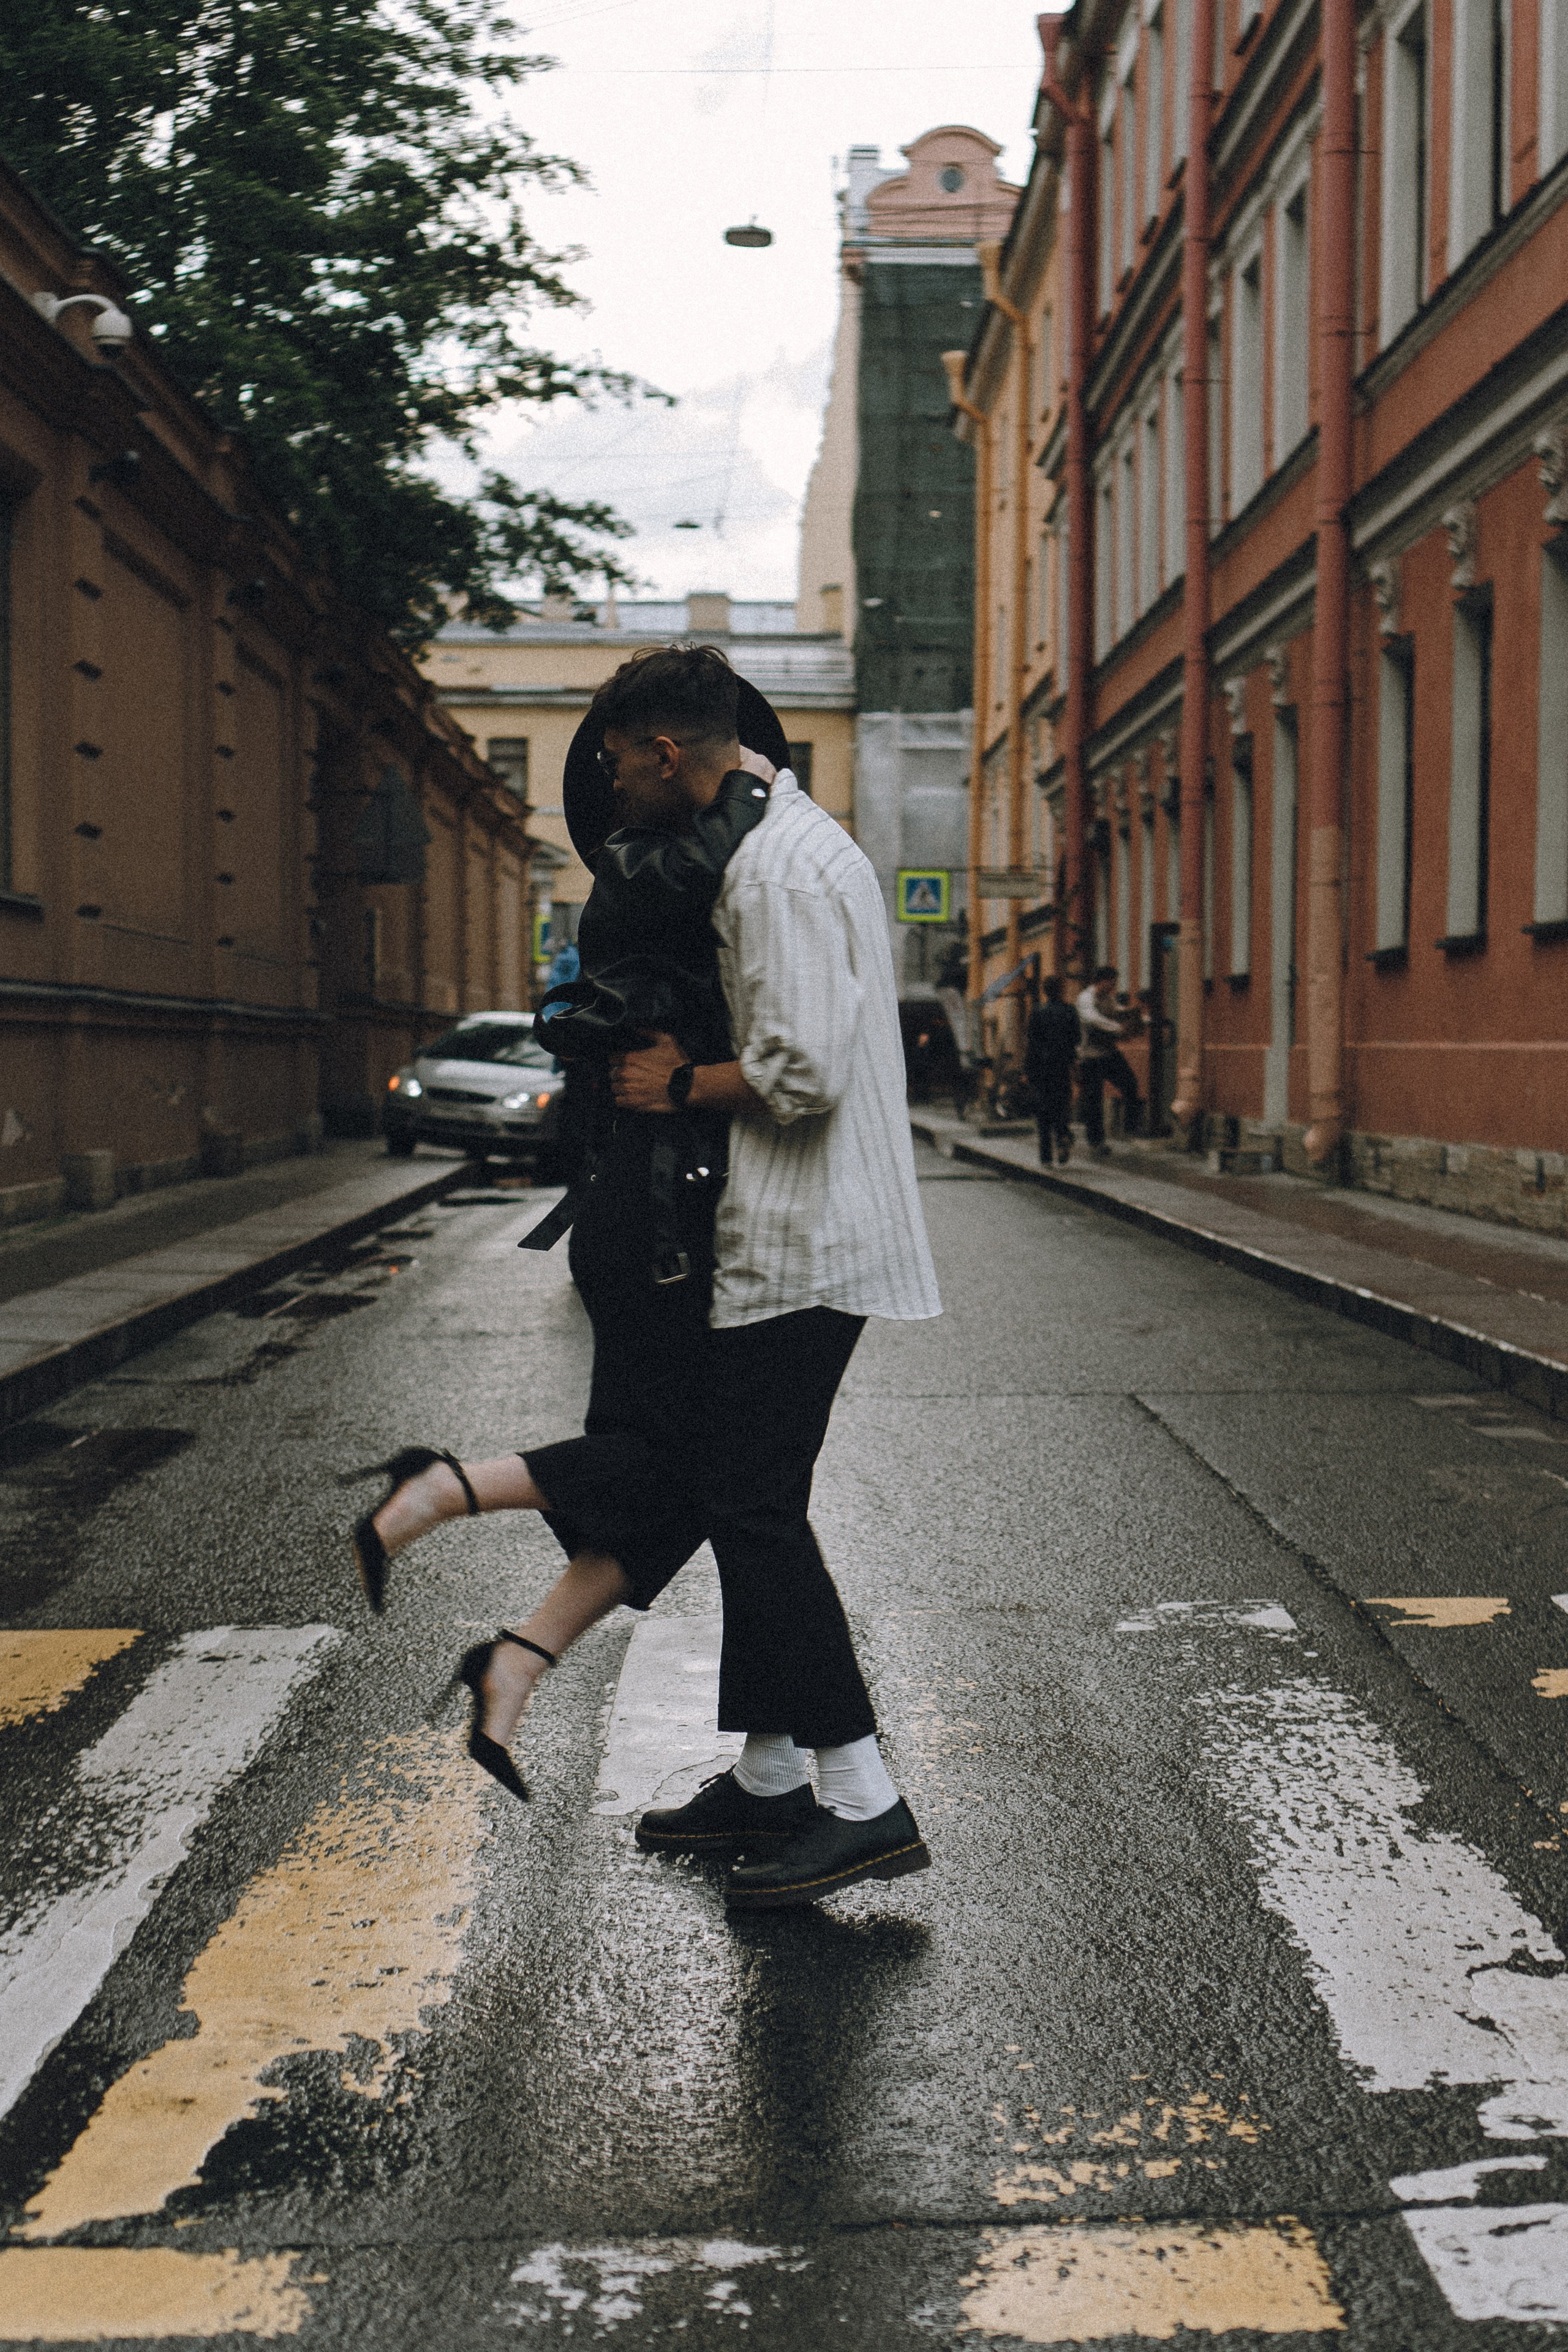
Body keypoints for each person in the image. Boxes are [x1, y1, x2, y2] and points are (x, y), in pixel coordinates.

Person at [345, 649, 771, 1804]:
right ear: (689, 760)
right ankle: (440, 1490)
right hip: (656, 1207)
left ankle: (518, 1663)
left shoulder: (652, 859)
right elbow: (714, 858)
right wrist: (752, 789)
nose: (609, 778)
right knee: (681, 1464)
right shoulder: (649, 868)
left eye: (615, 756)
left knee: (681, 1479)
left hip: (655, 1200)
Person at [605, 687, 943, 1910]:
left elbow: (796, 1070)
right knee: (748, 1495)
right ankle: (766, 1777)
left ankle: (860, 1799)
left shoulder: (771, 873)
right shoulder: (791, 848)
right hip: (806, 1231)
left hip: (804, 1235)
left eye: (612, 761)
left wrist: (674, 1084)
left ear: (661, 750)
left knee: (749, 1507)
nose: (612, 787)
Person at [1075, 965, 1142, 1157]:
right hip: (1090, 1057)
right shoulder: (1086, 999)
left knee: (1130, 1083)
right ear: (1102, 981)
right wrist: (1118, 1028)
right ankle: (1096, 1142)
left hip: (1108, 1053)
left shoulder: (1108, 998)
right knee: (1094, 1100)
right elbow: (1092, 1019)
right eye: (1111, 982)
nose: (1113, 986)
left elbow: (1117, 1011)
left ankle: (1130, 1128)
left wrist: (1138, 1018)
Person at [1023, 974, 1080, 1165]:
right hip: (1062, 1066)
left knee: (1043, 1111)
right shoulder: (1070, 1011)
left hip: (1041, 1068)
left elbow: (1032, 1043)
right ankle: (1063, 1135)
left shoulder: (1038, 1012)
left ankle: (1046, 1157)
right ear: (1061, 990)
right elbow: (1077, 1039)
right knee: (1061, 1105)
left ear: (1044, 991)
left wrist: (1028, 1070)